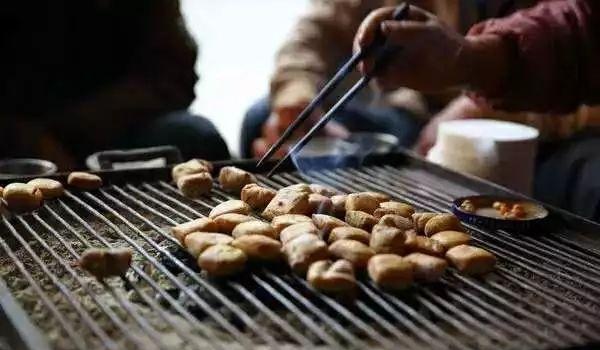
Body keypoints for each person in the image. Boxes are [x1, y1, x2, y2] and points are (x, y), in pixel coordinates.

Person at [355, 0, 600, 218]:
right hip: (428, 110)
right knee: (360, 126)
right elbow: (327, 18)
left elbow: (586, 37)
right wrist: (313, 92)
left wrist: (473, 96)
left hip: (549, 133)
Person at [0, 0, 230, 169]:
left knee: (196, 137)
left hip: (109, 125)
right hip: (16, 132)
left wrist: (70, 129)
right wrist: (30, 138)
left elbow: (174, 76)